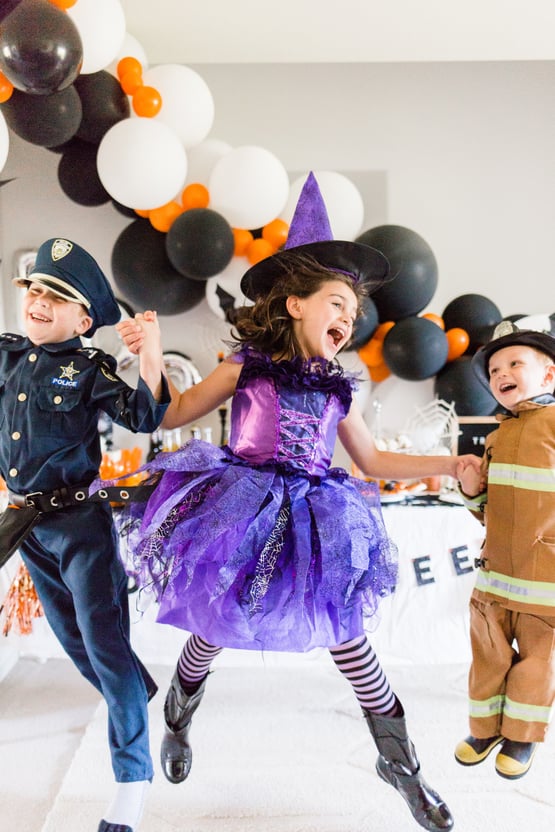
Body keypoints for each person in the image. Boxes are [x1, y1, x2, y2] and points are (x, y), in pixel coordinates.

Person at [113, 174, 481, 832]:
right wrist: (147, 358)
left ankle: (401, 766)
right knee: (213, 629)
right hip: (239, 506)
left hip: (315, 519)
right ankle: (178, 715)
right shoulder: (244, 366)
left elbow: (371, 460)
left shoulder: (340, 391)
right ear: (292, 304)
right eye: (336, 302)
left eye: (353, 310)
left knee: (350, 639)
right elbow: (169, 413)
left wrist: (449, 465)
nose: (348, 318)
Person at [0, 238, 170, 832]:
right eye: (35, 290)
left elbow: (145, 417)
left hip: (80, 526)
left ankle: (131, 782)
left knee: (103, 644)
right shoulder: (6, 356)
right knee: (77, 645)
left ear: (84, 318)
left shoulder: (88, 367)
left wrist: (149, 354)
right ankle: (138, 693)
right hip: (27, 526)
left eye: (57, 296)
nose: (40, 301)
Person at [454, 320, 555, 780]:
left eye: (516, 363)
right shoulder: (495, 437)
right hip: (494, 573)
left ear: (548, 376)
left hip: (544, 574)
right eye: (495, 369)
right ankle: (484, 727)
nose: (502, 373)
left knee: (536, 661)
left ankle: (520, 735)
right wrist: (473, 492)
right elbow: (488, 510)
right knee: (488, 654)